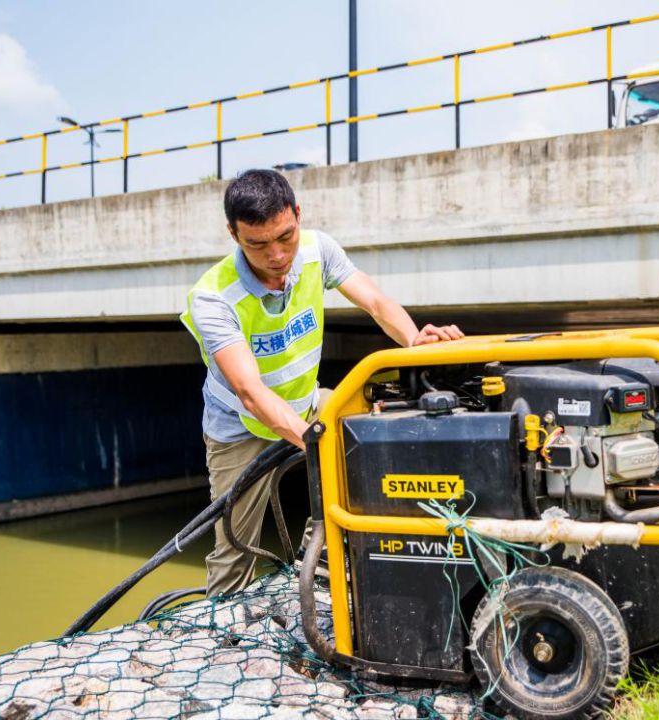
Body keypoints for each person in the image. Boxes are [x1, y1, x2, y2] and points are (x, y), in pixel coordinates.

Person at [181, 169, 464, 596]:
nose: (277, 255)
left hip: (306, 402)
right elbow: (251, 394)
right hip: (241, 426)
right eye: (258, 244)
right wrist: (314, 442)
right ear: (233, 235)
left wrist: (413, 340)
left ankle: (317, 556)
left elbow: (375, 301)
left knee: (364, 427)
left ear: (298, 214)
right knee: (235, 547)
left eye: (285, 236)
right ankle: (222, 620)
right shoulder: (213, 297)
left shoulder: (317, 250)